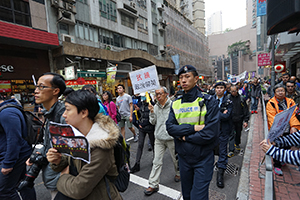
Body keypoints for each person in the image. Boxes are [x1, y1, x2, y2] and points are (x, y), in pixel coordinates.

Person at [46, 90, 122, 200]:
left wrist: (62, 177)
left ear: (83, 113)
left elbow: (78, 189)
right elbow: (71, 161)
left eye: (67, 109)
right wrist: (58, 160)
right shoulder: (77, 135)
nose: (64, 115)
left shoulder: (101, 145)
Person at [166, 65, 219, 200]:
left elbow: (210, 133)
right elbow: (170, 128)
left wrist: (183, 137)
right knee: (188, 196)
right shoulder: (176, 103)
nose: (183, 80)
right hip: (184, 159)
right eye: (181, 77)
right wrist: (193, 128)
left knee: (198, 197)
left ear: (196, 79)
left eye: (187, 77)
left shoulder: (208, 101)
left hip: (203, 158)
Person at [27, 72, 66, 199]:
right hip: (53, 176)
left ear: (55, 91)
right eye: (36, 86)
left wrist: (65, 175)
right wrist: (37, 155)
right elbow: (49, 143)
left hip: (62, 181)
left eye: (41, 87)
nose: (36, 91)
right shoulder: (49, 114)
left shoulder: (64, 116)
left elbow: (75, 152)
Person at [144, 86, 181, 196]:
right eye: (156, 94)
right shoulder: (155, 106)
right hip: (159, 139)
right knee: (156, 161)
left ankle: (178, 173)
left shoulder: (174, 105)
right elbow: (152, 122)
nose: (158, 96)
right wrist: (151, 112)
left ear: (166, 94)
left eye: (160, 94)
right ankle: (153, 184)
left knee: (176, 160)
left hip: (171, 138)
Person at [0, 96, 36, 200]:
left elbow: (14, 140)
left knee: (4, 191)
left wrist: (8, 163)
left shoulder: (6, 113)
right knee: (23, 184)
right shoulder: (7, 110)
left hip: (14, 155)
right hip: (17, 154)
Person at [266, 84, 300, 175]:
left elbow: (293, 115)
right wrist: (278, 130)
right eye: (278, 91)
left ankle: (283, 159)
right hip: (278, 130)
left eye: (282, 91)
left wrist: (294, 127)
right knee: (277, 146)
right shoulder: (271, 103)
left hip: (288, 129)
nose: (280, 93)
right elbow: (272, 118)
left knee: (288, 145)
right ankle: (277, 165)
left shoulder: (290, 101)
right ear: (274, 93)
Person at [213, 81, 233, 188]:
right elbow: (207, 114)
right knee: (209, 151)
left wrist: (215, 113)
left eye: (221, 88)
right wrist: (221, 113)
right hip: (211, 131)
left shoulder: (228, 101)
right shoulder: (211, 100)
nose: (219, 89)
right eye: (217, 88)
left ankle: (220, 175)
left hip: (224, 131)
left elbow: (227, 116)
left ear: (224, 90)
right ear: (215, 89)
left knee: (222, 153)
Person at [130, 92, 155, 173]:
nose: (142, 98)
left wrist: (142, 124)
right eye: (141, 96)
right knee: (140, 145)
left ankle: (155, 160)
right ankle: (137, 163)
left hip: (150, 127)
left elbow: (151, 116)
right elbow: (140, 115)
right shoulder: (140, 104)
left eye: (144, 96)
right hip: (142, 128)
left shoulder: (152, 104)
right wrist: (137, 111)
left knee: (153, 144)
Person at [227, 85, 249, 158]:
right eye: (232, 91)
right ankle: (231, 150)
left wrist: (246, 120)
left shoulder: (241, 99)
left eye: (234, 91)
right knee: (231, 134)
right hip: (230, 120)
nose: (233, 92)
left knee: (238, 132)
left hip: (239, 119)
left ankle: (237, 143)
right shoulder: (227, 98)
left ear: (237, 90)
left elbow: (245, 110)